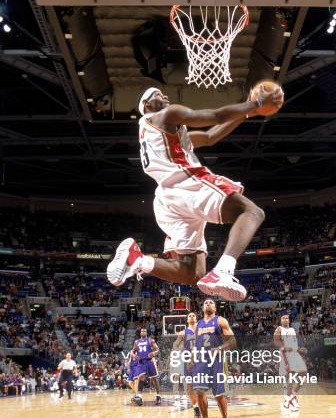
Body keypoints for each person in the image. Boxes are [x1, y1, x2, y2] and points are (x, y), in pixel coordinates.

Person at [107, 85, 284, 301]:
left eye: (163, 93)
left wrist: (246, 113)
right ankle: (224, 270)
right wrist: (256, 103)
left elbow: (210, 136)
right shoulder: (165, 115)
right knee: (251, 212)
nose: (164, 95)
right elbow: (216, 116)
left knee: (191, 273)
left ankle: (138, 260)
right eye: (156, 94)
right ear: (146, 106)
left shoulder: (158, 134)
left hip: (166, 200)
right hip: (187, 184)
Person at [193, 299, 236, 418]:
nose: (208, 304)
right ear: (202, 307)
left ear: (215, 308)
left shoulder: (220, 321)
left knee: (219, 395)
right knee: (199, 391)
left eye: (211, 303)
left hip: (217, 361)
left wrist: (219, 348)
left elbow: (232, 341)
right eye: (205, 303)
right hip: (201, 361)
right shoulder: (198, 324)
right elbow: (196, 344)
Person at [274, 314, 307, 411]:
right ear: (280, 321)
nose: (285, 319)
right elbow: (276, 341)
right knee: (290, 377)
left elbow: (293, 344)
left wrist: (300, 349)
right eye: (283, 318)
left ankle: (292, 396)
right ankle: (290, 401)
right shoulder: (279, 329)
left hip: (295, 353)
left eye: (286, 318)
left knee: (304, 374)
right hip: (286, 354)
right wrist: (283, 348)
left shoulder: (292, 330)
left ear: (289, 320)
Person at [173, 312, 201, 418]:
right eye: (189, 316)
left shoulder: (202, 330)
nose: (192, 316)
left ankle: (202, 405)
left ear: (196, 318)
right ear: (187, 320)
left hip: (201, 359)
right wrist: (182, 351)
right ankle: (196, 408)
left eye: (194, 315)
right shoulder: (183, 332)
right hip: (188, 361)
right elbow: (176, 345)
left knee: (201, 386)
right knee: (190, 386)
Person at [131, 328, 161, 406]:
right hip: (141, 362)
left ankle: (158, 396)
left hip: (149, 361)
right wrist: (134, 355)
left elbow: (157, 349)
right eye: (142, 331)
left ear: (147, 333)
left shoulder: (150, 340)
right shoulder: (136, 342)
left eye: (145, 331)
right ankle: (140, 397)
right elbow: (132, 351)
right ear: (140, 333)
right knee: (141, 377)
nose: (143, 332)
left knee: (154, 378)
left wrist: (154, 353)